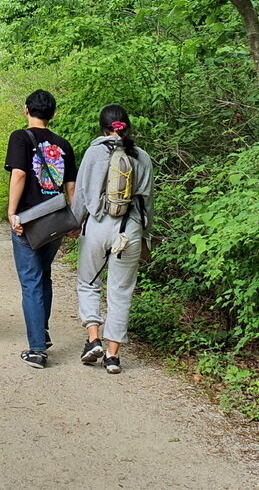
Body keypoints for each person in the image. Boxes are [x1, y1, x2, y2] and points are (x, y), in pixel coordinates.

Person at [73, 103, 154, 374]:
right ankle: (112, 356)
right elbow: (147, 201)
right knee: (120, 291)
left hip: (97, 226)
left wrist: (74, 223)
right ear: (127, 126)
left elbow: (82, 194)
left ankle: (93, 338)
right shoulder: (141, 156)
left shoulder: (94, 152)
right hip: (128, 230)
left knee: (88, 282)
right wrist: (146, 232)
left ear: (102, 126)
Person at [5, 89, 77, 368]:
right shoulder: (64, 144)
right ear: (53, 114)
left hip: (29, 221)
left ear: (26, 110)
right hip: (56, 220)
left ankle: (37, 349)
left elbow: (20, 174)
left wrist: (12, 212)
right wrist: (75, 220)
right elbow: (71, 186)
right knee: (43, 276)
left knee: (31, 280)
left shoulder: (20, 137)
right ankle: (42, 331)